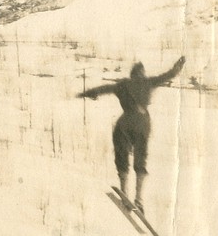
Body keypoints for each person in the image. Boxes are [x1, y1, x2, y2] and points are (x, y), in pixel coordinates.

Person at [78, 56, 185, 213]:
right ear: (142, 73)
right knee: (141, 157)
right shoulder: (149, 82)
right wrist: (177, 67)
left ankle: (124, 192)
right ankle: (139, 198)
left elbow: (104, 89)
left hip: (126, 122)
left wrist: (87, 93)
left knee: (121, 153)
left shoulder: (123, 85)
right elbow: (168, 75)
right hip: (142, 123)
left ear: (132, 74)